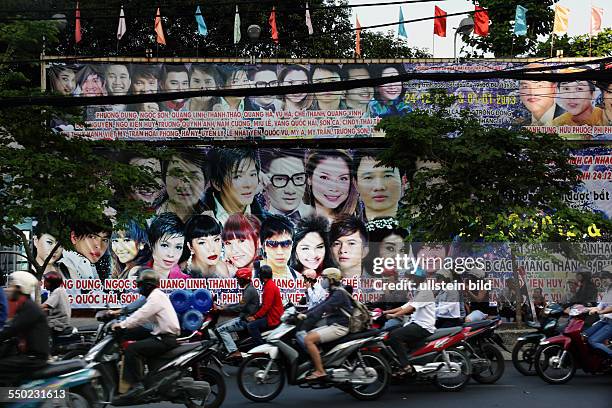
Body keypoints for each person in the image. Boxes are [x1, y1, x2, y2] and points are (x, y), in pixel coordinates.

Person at [111, 269, 180, 399]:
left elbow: (141, 315)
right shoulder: (155, 296)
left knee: (132, 349)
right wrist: (125, 324)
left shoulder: (156, 297)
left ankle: (137, 386)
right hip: (161, 335)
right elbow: (140, 315)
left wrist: (122, 325)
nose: (138, 288)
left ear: (148, 286)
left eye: (140, 285)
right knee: (132, 337)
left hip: (165, 339)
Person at [297, 267, 353, 381]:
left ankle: (320, 371)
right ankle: (320, 360)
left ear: (331, 280)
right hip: (333, 323)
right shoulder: (334, 291)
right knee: (309, 333)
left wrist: (307, 315)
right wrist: (304, 313)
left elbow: (323, 307)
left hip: (339, 327)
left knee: (308, 339)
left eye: (325, 278)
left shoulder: (339, 293)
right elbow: (320, 305)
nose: (322, 281)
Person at [382, 267, 435, 374]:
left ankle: (406, 366)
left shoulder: (425, 292)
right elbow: (404, 306)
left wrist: (393, 315)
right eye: (410, 278)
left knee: (395, 336)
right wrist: (385, 312)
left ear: (419, 279)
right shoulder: (417, 291)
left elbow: (410, 308)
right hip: (414, 324)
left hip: (423, 326)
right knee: (387, 333)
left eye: (412, 278)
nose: (410, 280)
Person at [0, 271, 49, 385]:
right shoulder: (24, 306)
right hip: (28, 355)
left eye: (11, 286)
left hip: (34, 358)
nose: (8, 289)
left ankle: (7, 398)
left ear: (19, 288)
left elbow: (11, 330)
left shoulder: (29, 308)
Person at [202, 148, 266, 224]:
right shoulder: (198, 219)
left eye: (252, 174)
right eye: (237, 176)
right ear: (217, 183)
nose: (248, 184)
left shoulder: (268, 224)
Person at [304, 149, 359, 223]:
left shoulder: (356, 227)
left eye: (343, 178)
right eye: (324, 177)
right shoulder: (295, 222)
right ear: (309, 179)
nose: (334, 188)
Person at [217, 268, 260, 359]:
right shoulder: (248, 288)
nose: (237, 281)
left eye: (239, 279)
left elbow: (239, 307)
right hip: (243, 317)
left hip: (245, 320)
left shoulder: (249, 291)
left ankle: (234, 351)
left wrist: (223, 310)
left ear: (243, 279)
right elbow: (240, 303)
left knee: (221, 330)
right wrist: (226, 306)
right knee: (220, 325)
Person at [260, 149, 313, 223]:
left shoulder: (316, 214)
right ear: (264, 182)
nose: (290, 191)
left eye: (298, 178)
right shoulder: (256, 217)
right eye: (280, 179)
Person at [158, 150, 208, 222]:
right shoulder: (148, 221)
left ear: (206, 183)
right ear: (164, 179)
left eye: (193, 176)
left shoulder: (217, 219)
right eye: (176, 175)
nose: (183, 185)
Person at [142, 212, 190, 280]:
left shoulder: (188, 284)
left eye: (178, 247)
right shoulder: (135, 274)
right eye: (165, 245)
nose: (171, 254)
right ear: (151, 244)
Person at [355, 155, 403, 221]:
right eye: (368, 177)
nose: (379, 187)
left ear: (403, 181)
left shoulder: (419, 224)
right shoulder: (347, 227)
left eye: (387, 176)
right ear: (356, 184)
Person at [246, 265, 283, 345]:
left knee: (251, 326)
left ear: (261, 276)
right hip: (271, 314)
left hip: (273, 317)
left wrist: (255, 317)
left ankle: (260, 347)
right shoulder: (268, 284)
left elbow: (266, 306)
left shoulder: (269, 287)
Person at [260, 214, 299, 279]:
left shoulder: (300, 280)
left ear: (292, 245)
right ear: (263, 246)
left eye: (286, 244)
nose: (280, 252)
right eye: (272, 244)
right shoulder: (250, 276)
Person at [584, 279, 612, 357]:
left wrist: (601, 312)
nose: (604, 280)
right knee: (584, 336)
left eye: (606, 278)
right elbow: (599, 307)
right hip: (605, 320)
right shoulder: (607, 293)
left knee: (593, 341)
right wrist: (584, 308)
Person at [42, 271, 71, 342]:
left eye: (45, 282)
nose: (44, 284)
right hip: (59, 321)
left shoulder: (57, 292)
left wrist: (31, 307)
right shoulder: (60, 290)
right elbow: (49, 307)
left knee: (35, 331)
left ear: (51, 283)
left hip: (57, 323)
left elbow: (46, 305)